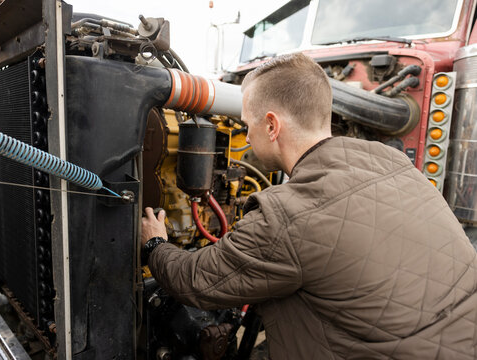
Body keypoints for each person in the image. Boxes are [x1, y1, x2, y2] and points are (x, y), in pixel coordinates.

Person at [141, 53, 477, 359]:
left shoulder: (287, 217)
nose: (246, 133)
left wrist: (155, 243)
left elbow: (195, 281)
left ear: (272, 126)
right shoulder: (392, 161)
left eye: (247, 125)